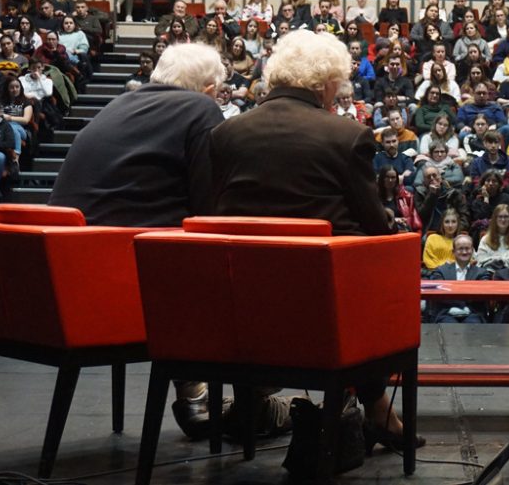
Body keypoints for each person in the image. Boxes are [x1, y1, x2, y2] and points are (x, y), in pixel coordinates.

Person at [208, 30, 423, 450]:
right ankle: (378, 408)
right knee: (368, 271)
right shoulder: (345, 136)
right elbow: (376, 228)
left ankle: (250, 396)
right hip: (322, 312)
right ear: (325, 83)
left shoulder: (226, 134)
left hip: (242, 307)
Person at [48, 43, 226, 439]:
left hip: (71, 278)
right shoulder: (202, 109)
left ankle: (196, 390)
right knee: (231, 267)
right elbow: (207, 211)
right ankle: (236, 399)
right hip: (124, 284)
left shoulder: (117, 104)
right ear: (211, 90)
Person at [426, 234, 493, 323]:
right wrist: (461, 304)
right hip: (447, 313)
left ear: (472, 251)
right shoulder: (441, 271)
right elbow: (439, 295)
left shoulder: (482, 273)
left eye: (467, 248)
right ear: (453, 252)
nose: (464, 252)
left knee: (473, 323)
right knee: (448, 325)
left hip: (472, 313)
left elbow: (480, 296)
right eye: (460, 249)